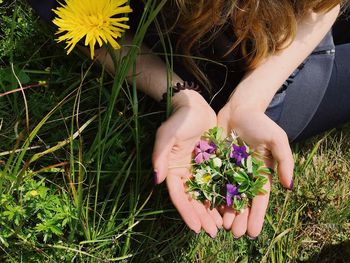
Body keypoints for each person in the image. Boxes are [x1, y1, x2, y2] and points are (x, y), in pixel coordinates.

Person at [28, 0, 350, 239]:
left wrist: (253, 96)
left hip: (281, 58)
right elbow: (72, 17)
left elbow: (320, 6)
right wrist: (180, 95)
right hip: (240, 85)